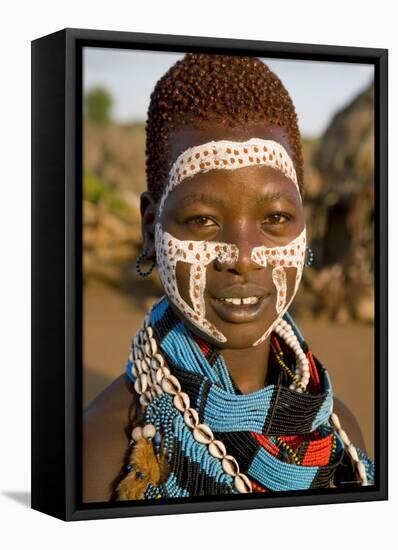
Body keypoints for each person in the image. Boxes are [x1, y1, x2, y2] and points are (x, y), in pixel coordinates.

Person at [83, 53, 375, 502]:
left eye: (276, 216)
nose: (242, 257)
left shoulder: (339, 435)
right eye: (202, 220)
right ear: (150, 229)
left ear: (304, 226)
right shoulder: (103, 453)